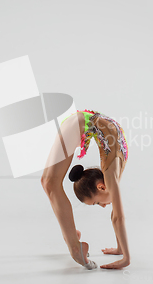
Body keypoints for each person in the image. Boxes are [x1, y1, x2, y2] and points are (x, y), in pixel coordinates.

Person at [41, 109, 130, 270]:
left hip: (82, 121)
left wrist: (121, 249)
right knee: (49, 183)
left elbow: (116, 215)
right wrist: (126, 258)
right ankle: (75, 246)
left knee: (48, 182)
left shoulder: (112, 174)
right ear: (101, 187)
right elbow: (118, 218)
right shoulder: (111, 177)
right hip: (81, 123)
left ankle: (72, 237)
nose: (103, 206)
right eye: (97, 203)